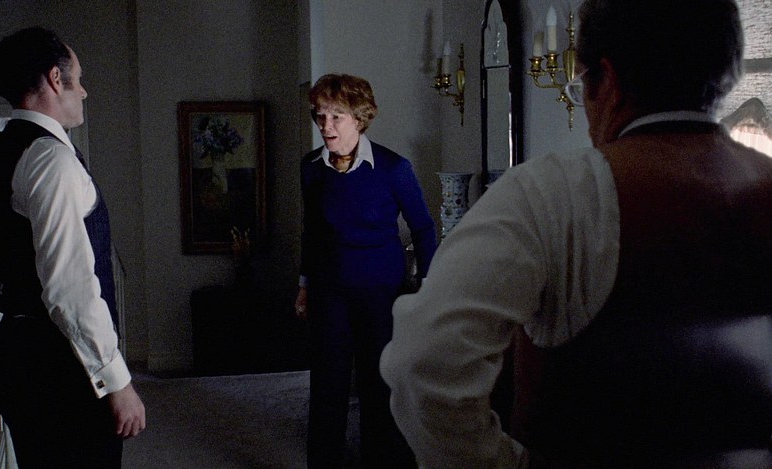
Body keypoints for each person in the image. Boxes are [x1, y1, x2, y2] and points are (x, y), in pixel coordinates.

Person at [380, 0, 772, 467]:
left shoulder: (552, 192)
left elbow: (425, 364)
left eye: (582, 82)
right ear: (726, 71)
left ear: (608, 81)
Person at [0, 26, 145, 468]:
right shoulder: (51, 159)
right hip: (60, 368)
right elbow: (70, 289)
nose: (85, 91)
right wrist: (116, 381)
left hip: (15, 355)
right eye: (78, 79)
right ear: (56, 79)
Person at [295, 73, 437, 468]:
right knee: (328, 387)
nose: (325, 126)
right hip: (330, 291)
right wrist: (304, 284)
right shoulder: (311, 168)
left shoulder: (393, 168)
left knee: (380, 387)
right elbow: (311, 232)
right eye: (320, 115)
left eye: (336, 116)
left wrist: (427, 289)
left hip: (381, 293)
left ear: (360, 118)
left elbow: (424, 229)